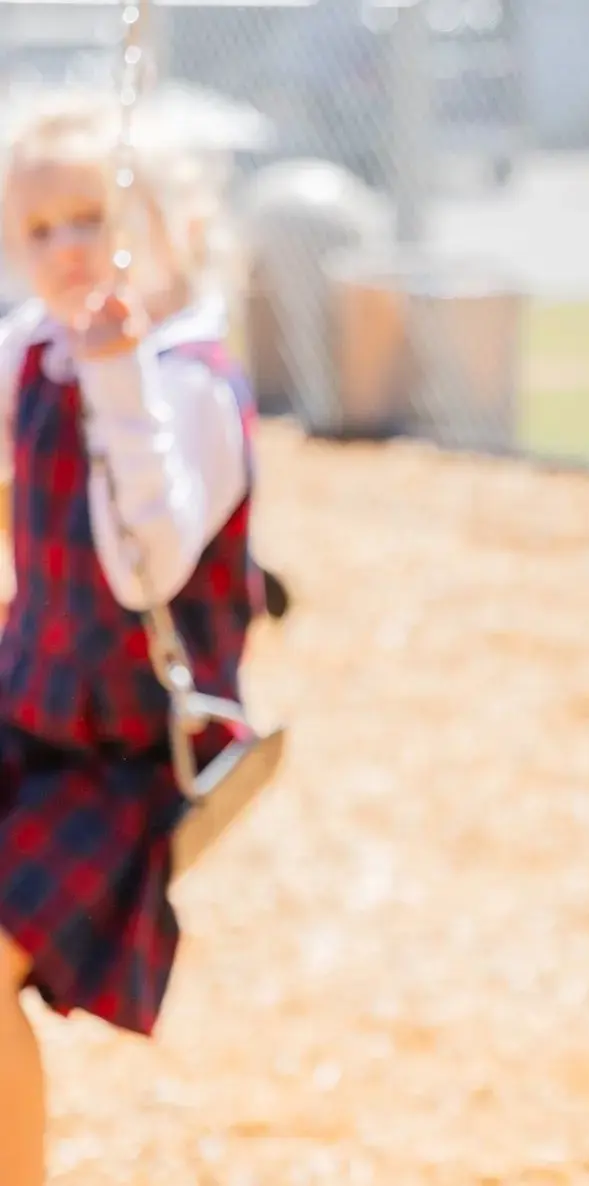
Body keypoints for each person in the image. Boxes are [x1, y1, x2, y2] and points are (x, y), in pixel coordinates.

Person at [0, 96, 264, 1185]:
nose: (67, 251)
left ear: (175, 227)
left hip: (126, 753)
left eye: (92, 218)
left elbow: (142, 567)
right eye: (40, 229)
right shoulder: (33, 349)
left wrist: (120, 378)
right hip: (29, 712)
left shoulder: (191, 386)